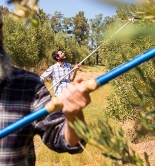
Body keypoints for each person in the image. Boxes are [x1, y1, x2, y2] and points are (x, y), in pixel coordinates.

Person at [0, 16, 91, 165]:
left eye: (0, 28)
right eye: (60, 53)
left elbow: (72, 79)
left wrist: (74, 114)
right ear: (56, 57)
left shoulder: (29, 85)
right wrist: (42, 81)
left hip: (68, 96)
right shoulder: (52, 68)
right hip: (59, 94)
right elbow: (43, 76)